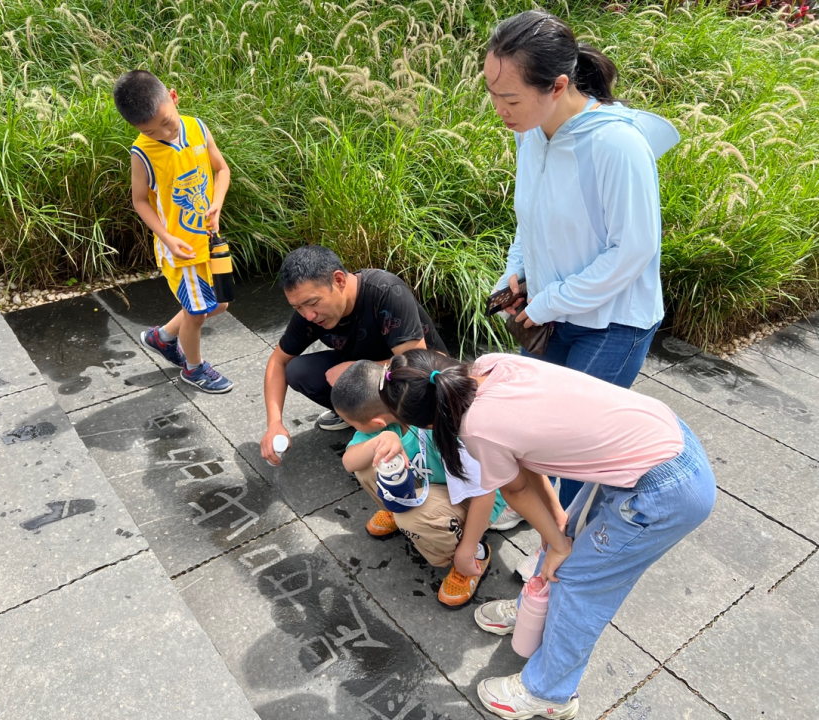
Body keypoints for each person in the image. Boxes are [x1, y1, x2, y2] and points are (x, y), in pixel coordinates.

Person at [379, 349, 715, 720]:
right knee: (564, 545)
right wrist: (557, 520)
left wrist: (557, 543)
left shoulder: (476, 427)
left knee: (579, 580)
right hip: (653, 437)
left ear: (428, 424)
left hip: (663, 488)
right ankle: (532, 613)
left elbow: (517, 490)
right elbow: (525, 455)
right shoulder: (492, 365)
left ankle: (550, 693)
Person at [484, 10, 681, 539]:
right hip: (554, 311)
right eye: (493, 94)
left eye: (511, 99)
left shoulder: (616, 146)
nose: (499, 110)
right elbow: (530, 220)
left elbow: (632, 252)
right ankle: (531, 507)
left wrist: (544, 304)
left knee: (571, 445)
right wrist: (516, 275)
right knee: (533, 424)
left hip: (612, 324)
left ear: (559, 85)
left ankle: (556, 550)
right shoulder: (532, 132)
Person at [331, 360, 514, 607]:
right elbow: (350, 462)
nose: (353, 429)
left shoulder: (444, 425)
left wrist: (466, 550)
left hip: (473, 499)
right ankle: (397, 511)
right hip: (435, 485)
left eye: (352, 424)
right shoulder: (388, 417)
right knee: (368, 462)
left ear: (376, 422)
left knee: (410, 518)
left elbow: (485, 493)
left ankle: (475, 555)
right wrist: (379, 442)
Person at [260, 245, 447, 464]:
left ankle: (400, 424)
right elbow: (278, 361)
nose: (308, 315)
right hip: (367, 368)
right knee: (298, 371)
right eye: (297, 307)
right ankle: (361, 418)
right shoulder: (308, 311)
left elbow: (414, 363)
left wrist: (354, 370)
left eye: (312, 303)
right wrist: (274, 423)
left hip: (421, 378)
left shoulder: (385, 291)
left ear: (339, 280)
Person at [112, 70, 233, 393]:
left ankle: (162, 337)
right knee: (197, 312)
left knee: (220, 304)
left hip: (207, 240)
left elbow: (221, 170)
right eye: (151, 131)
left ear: (174, 98)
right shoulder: (142, 153)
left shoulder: (197, 128)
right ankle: (193, 369)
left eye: (167, 122)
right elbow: (140, 201)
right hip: (179, 250)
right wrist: (167, 237)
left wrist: (217, 204)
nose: (163, 133)